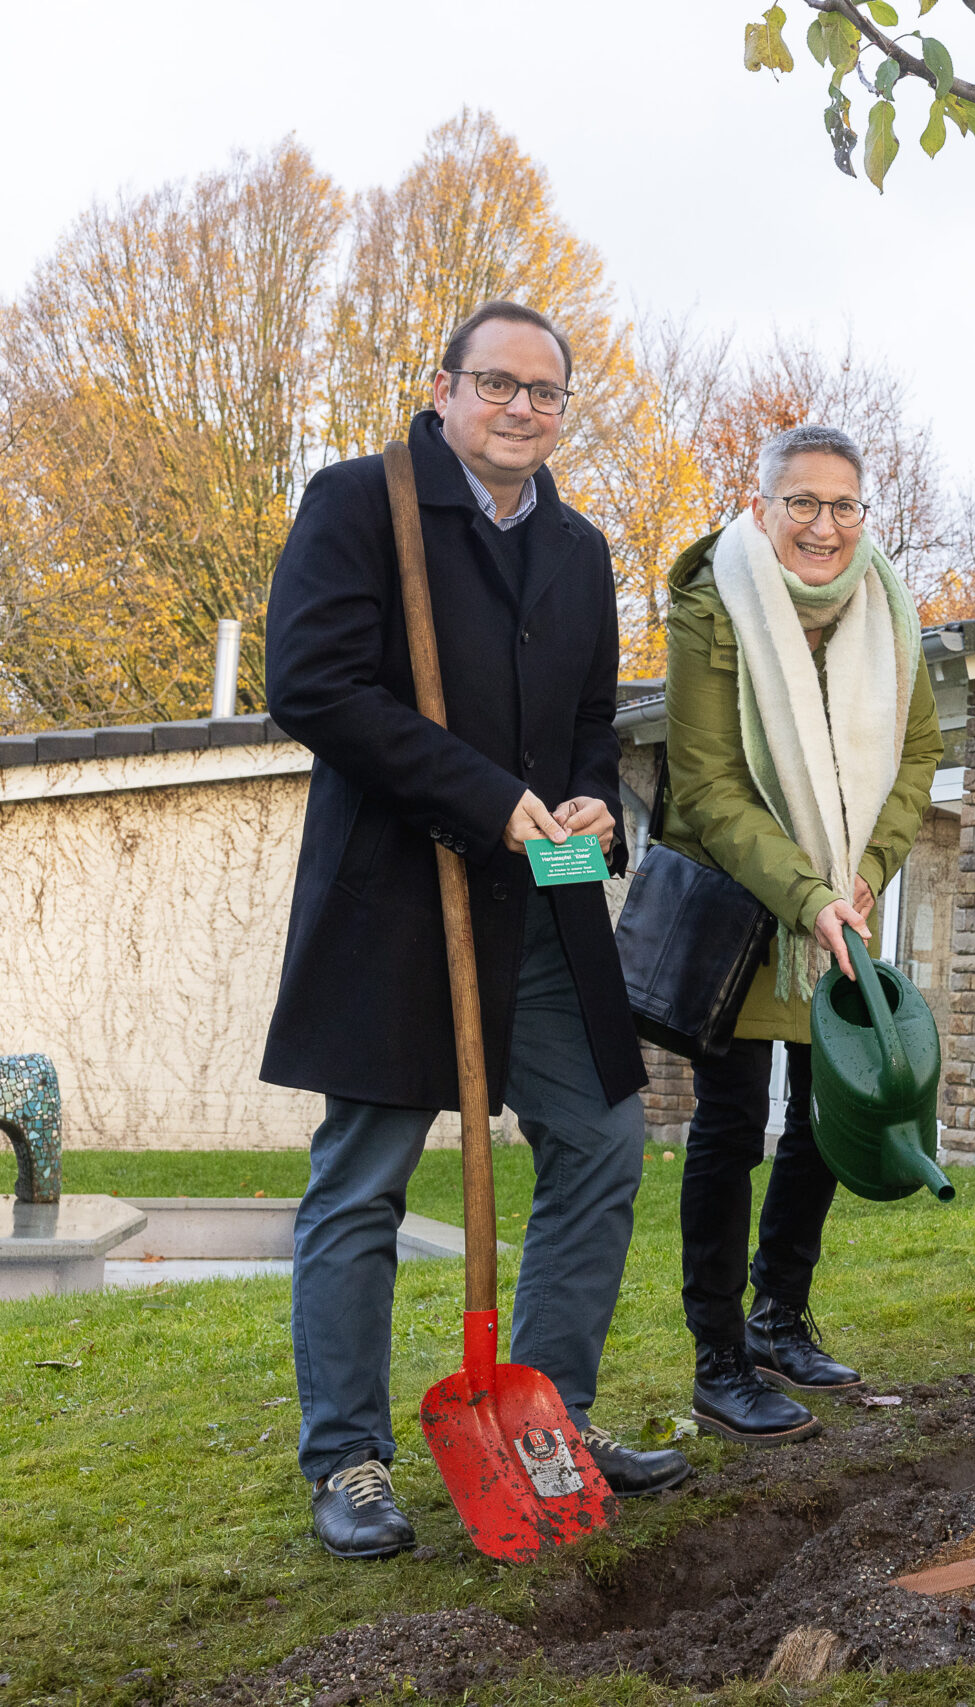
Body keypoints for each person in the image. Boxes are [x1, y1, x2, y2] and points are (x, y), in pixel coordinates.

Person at [262, 300, 689, 1561]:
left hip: (542, 907)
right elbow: (314, 686)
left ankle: (549, 1416)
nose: (520, 409)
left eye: (545, 393)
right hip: (399, 905)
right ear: (444, 389)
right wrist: (483, 800)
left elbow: (589, 727)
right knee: (363, 1181)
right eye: (495, 384)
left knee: (604, 1142)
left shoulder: (579, 548)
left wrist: (586, 802)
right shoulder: (360, 504)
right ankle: (347, 1457)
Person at [655, 424, 943, 1442]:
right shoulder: (711, 608)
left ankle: (781, 1316)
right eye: (802, 504)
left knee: (828, 1111)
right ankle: (720, 1355)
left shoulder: (889, 614)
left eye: (844, 506)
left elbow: (916, 761)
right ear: (762, 506)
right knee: (731, 1129)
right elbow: (706, 786)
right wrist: (805, 893)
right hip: (745, 909)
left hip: (840, 909)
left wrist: (861, 877)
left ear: (865, 516)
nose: (823, 527)